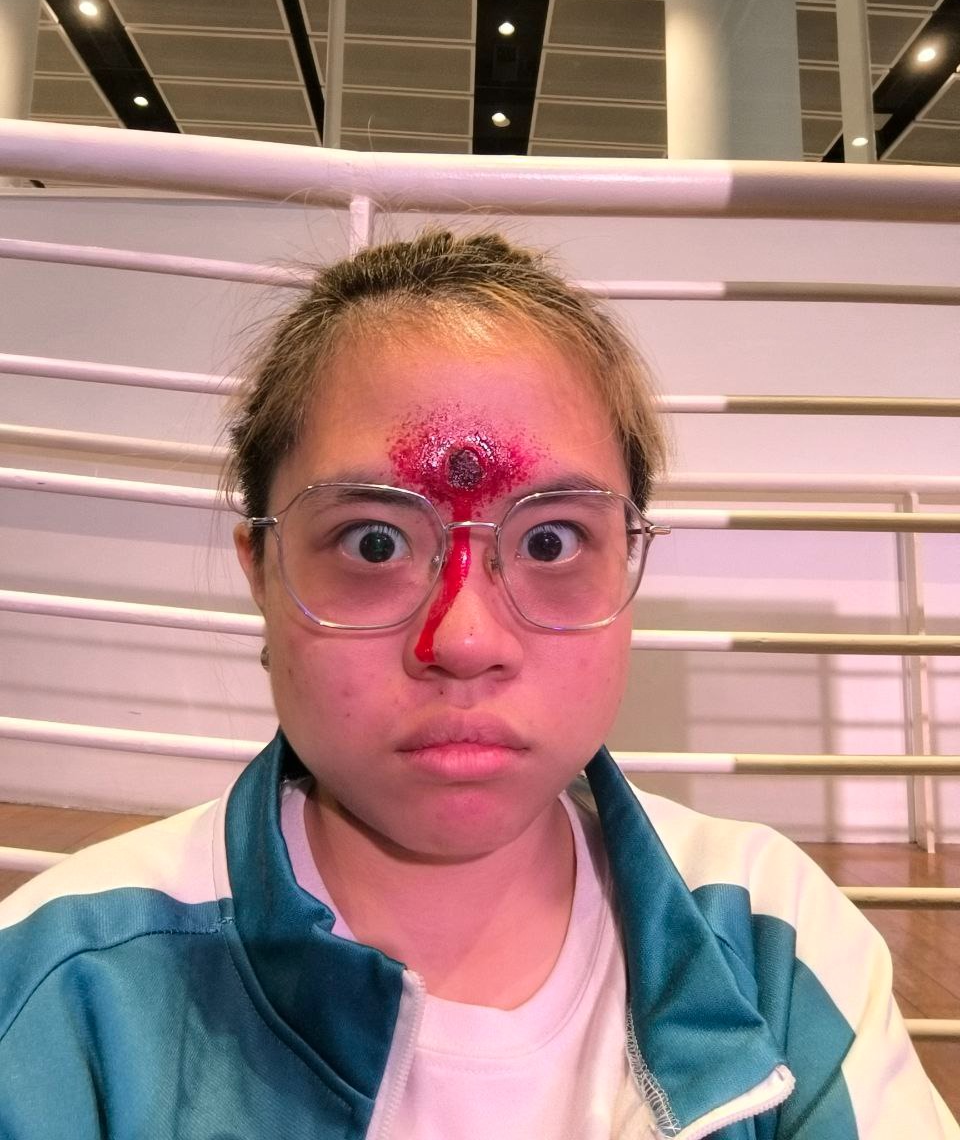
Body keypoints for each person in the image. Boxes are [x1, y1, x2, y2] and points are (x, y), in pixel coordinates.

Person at [0, 229, 955, 1140]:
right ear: (262, 570)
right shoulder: (53, 988)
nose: (463, 640)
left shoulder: (773, 938)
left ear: (630, 558)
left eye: (551, 540)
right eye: (375, 541)